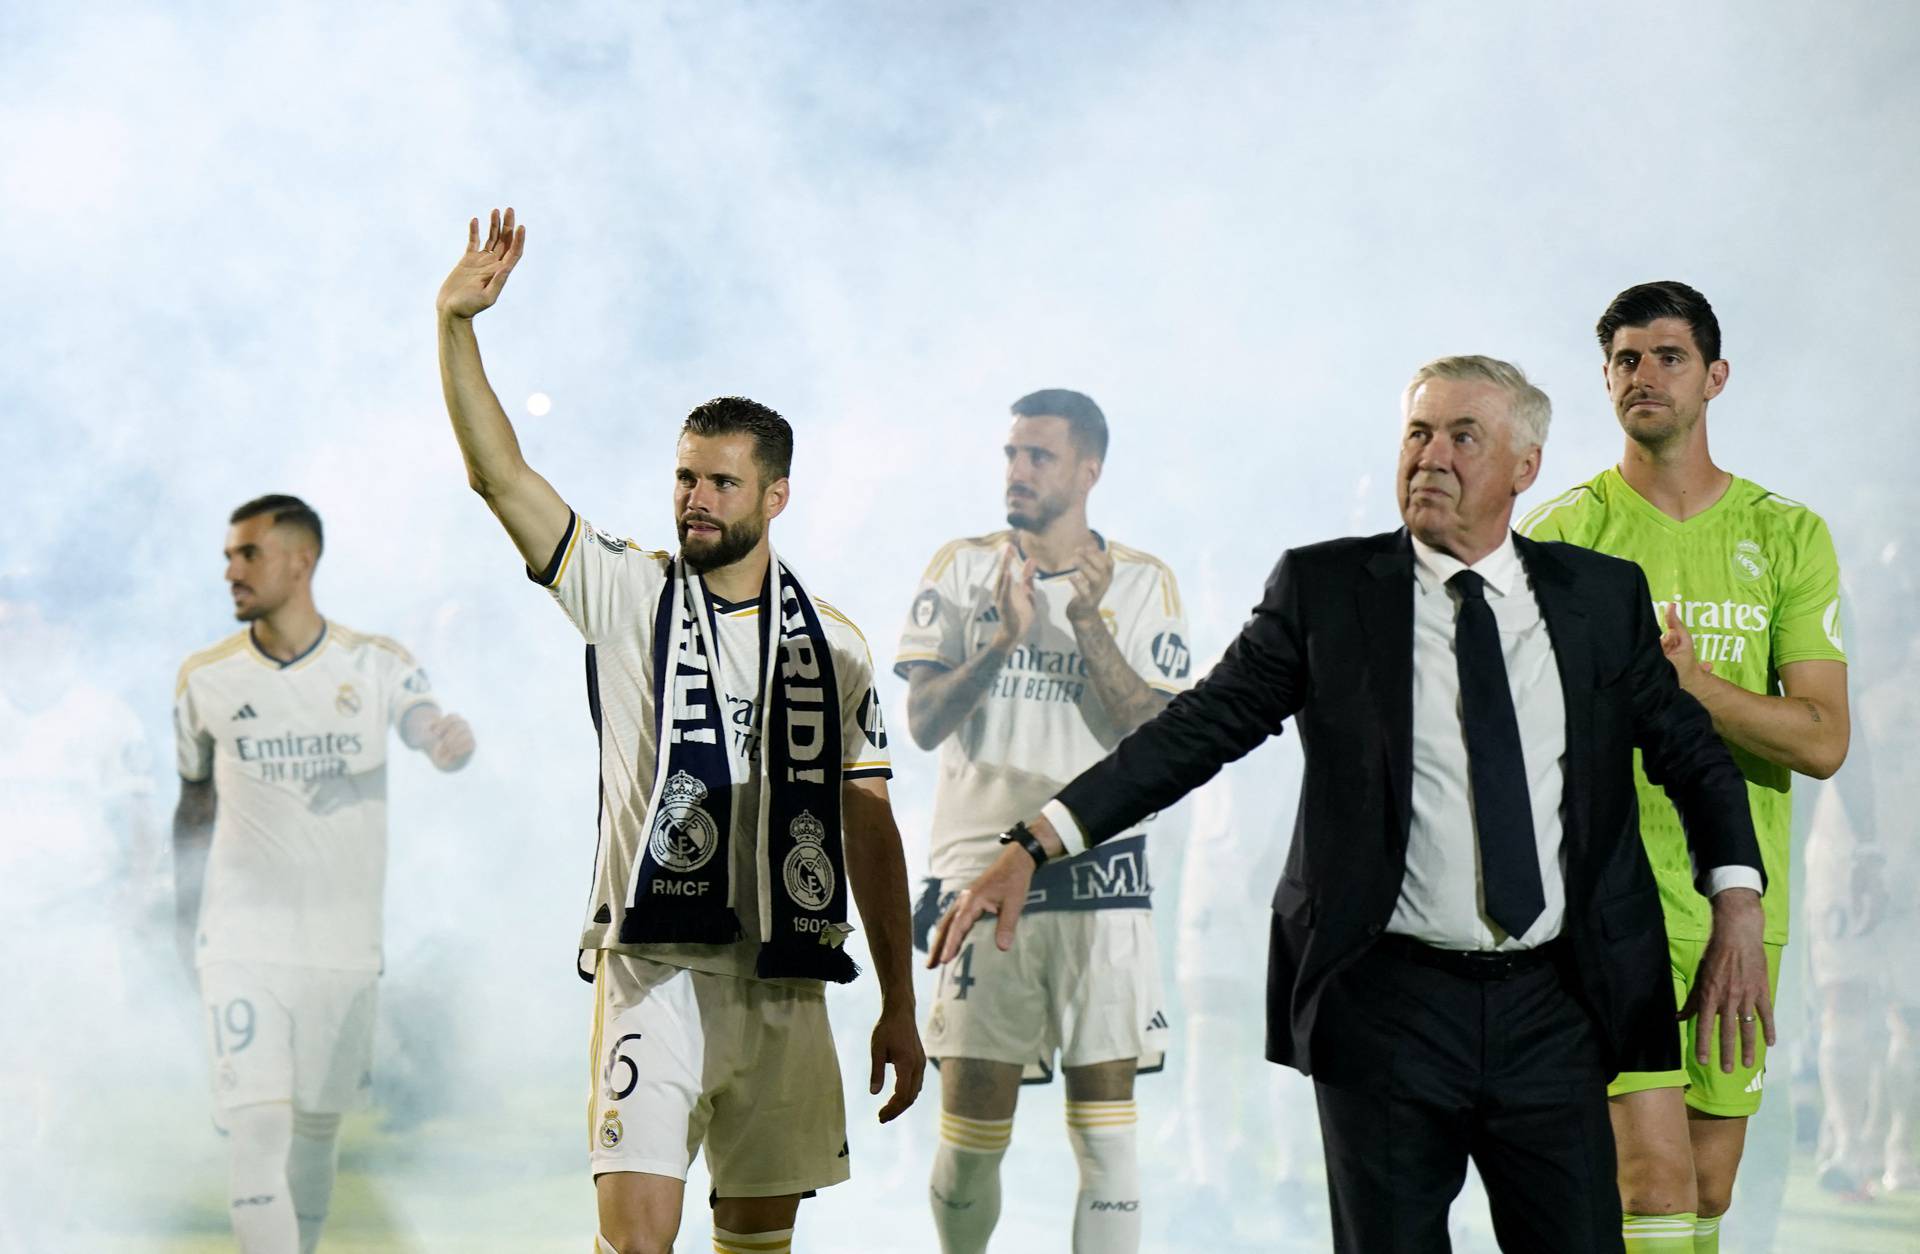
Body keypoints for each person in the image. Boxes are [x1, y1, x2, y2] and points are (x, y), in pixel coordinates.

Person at [931, 354, 1773, 1253]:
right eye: (1418, 433)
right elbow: (1198, 730)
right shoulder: (1325, 591)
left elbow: (1694, 757)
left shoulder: (1599, 599)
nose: (1431, 457)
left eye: (1463, 436)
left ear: (1525, 467)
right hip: (1389, 1006)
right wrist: (1038, 840)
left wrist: (1738, 901)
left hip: (1555, 1008)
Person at [434, 208, 923, 1254]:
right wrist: (456, 329)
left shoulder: (833, 648)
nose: (694, 500)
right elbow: (500, 478)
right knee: (635, 1243)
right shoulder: (626, 594)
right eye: (685, 478)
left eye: (721, 482)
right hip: (653, 965)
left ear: (776, 495)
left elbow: (868, 827)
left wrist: (900, 1002)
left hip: (785, 976)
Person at [1520, 281, 1850, 1251]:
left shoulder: (1787, 535)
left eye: (1666, 356)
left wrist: (1693, 689)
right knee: (1648, 1178)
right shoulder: (1563, 535)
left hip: (1740, 910)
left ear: (1715, 377)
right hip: (1605, 907)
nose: (1642, 375)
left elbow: (1823, 740)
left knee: (1707, 1187)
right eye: (1624, 359)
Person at [894, 388, 1190, 1254]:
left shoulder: (1141, 583)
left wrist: (1087, 623)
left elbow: (1157, 733)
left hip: (1101, 879)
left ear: (1089, 470)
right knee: (969, 1147)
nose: (1017, 473)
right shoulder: (961, 567)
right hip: (977, 883)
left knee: (1106, 1139)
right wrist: (1002, 641)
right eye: (1011, 456)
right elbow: (920, 724)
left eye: (1039, 457)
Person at [173, 494, 475, 1253]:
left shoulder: (375, 664)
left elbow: (421, 721)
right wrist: (183, 919)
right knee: (258, 1127)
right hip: (241, 944)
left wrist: (441, 739)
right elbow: (193, 806)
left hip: (342, 951)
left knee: (313, 1133)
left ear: (300, 562)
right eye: (228, 556)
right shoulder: (204, 680)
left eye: (248, 554)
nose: (230, 571)